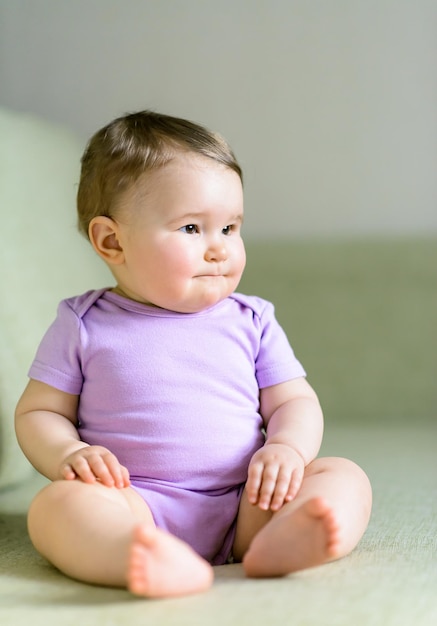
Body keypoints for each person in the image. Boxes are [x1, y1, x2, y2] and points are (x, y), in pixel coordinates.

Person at [15, 110, 372, 599]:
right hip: (132, 502)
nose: (219, 249)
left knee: (344, 476)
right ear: (112, 240)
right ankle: (133, 551)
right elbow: (39, 411)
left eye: (229, 228)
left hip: (250, 501)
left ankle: (285, 540)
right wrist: (69, 454)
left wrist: (286, 449)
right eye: (191, 229)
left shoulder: (252, 319)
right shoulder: (83, 323)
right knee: (55, 508)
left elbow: (294, 402)